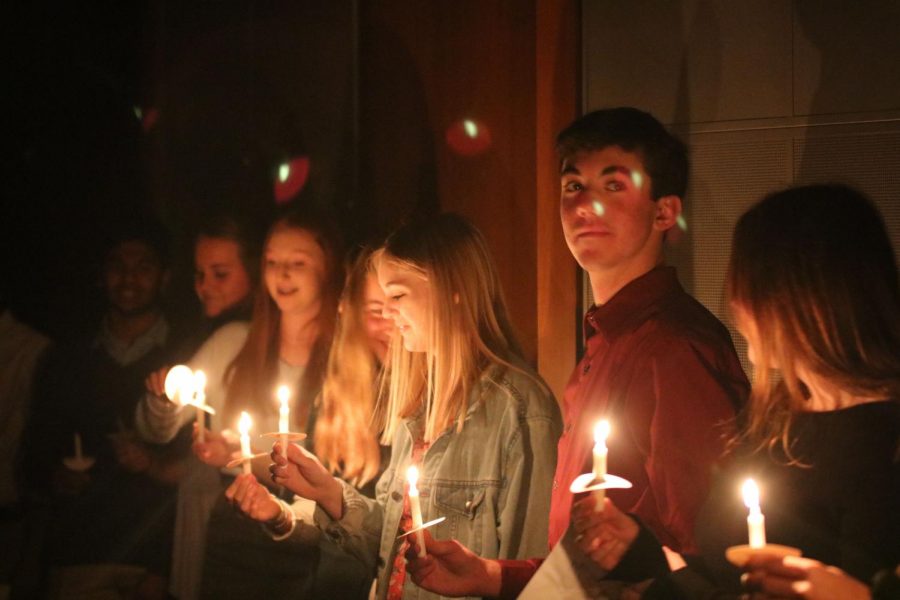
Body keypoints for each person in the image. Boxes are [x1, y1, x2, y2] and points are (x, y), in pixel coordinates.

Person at [404, 107, 748, 598]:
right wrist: (493, 576)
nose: (586, 206)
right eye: (573, 187)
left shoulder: (673, 347)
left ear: (664, 211)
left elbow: (697, 555)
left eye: (613, 187)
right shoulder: (602, 342)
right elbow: (585, 556)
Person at [570, 184, 900, 599]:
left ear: (808, 296)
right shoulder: (771, 421)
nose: (737, 306)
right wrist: (645, 553)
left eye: (748, 284)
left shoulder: (884, 445)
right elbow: (725, 570)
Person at [229, 213, 563, 599]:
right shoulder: (420, 400)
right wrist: (329, 493)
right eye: (381, 300)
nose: (387, 314)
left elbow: (530, 573)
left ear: (451, 289)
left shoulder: (519, 410)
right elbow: (396, 543)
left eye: (398, 296)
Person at [135, 208, 364, 600]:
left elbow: (343, 474)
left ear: (327, 269)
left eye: (298, 263)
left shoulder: (352, 363)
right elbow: (156, 428)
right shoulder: (234, 342)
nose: (282, 274)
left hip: (319, 548)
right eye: (273, 262)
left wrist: (246, 458)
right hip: (239, 536)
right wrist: (163, 400)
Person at [22, 218, 182, 600]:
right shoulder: (66, 360)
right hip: (79, 556)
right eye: (117, 266)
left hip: (156, 561)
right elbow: (31, 457)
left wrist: (166, 567)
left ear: (165, 277)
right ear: (100, 275)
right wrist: (56, 476)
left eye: (143, 266)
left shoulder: (185, 359)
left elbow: (196, 467)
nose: (129, 279)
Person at [173, 213, 259, 359]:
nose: (204, 286)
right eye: (200, 274)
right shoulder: (190, 336)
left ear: (253, 271)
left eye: (220, 274)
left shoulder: (261, 343)